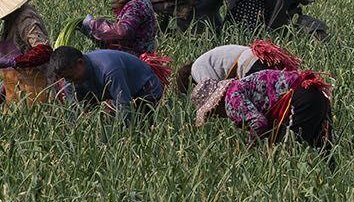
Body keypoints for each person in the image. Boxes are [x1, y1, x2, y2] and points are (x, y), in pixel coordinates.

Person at [196, 68, 332, 151]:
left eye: (210, 114)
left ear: (214, 106)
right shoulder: (238, 86)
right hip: (314, 92)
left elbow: (259, 123)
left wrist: (249, 149)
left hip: (301, 100)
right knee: (322, 148)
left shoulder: (231, 100)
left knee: (287, 155)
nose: (216, 117)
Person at [48, 45, 163, 122]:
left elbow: (125, 106)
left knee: (142, 126)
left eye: (70, 77)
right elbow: (73, 110)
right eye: (66, 78)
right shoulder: (71, 78)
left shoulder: (109, 70)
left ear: (80, 63)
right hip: (117, 94)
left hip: (145, 91)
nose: (69, 81)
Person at [178, 40, 304, 100]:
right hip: (259, 58)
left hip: (249, 66)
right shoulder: (205, 59)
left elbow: (213, 93)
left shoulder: (197, 70)